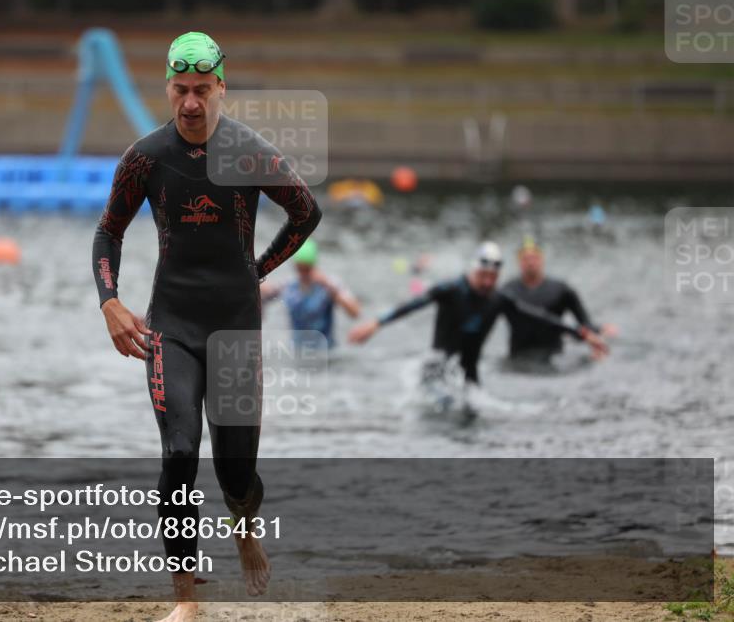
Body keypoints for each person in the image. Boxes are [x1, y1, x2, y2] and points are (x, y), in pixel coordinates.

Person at [92, 31, 321, 622]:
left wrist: (258, 268)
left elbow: (305, 211)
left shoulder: (249, 151)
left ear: (221, 87)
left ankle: (243, 526)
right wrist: (110, 302)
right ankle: (187, 600)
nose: (190, 103)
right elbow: (108, 232)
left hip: (236, 330)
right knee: (178, 452)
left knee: (236, 468)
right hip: (172, 325)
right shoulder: (145, 157)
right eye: (179, 90)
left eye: (201, 90)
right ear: (167, 87)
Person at [348, 242, 608, 386]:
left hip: (469, 370)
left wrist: (584, 335)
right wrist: (374, 324)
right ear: (473, 271)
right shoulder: (450, 289)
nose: (487, 282)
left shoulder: (499, 298)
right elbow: (412, 304)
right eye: (483, 276)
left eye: (493, 277)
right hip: (438, 363)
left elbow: (540, 316)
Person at [501, 238, 617, 363]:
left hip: (553, 355)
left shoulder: (561, 290)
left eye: (534, 258)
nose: (530, 263)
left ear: (542, 260)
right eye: (525, 259)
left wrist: (600, 330)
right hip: (518, 357)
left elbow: (584, 322)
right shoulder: (507, 291)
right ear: (519, 262)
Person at [260, 239, 360, 348]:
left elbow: (355, 312)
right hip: (297, 350)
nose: (303, 274)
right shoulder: (289, 286)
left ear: (314, 265)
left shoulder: (328, 285)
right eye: (299, 269)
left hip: (326, 350)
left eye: (307, 269)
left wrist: (329, 287)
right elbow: (264, 293)